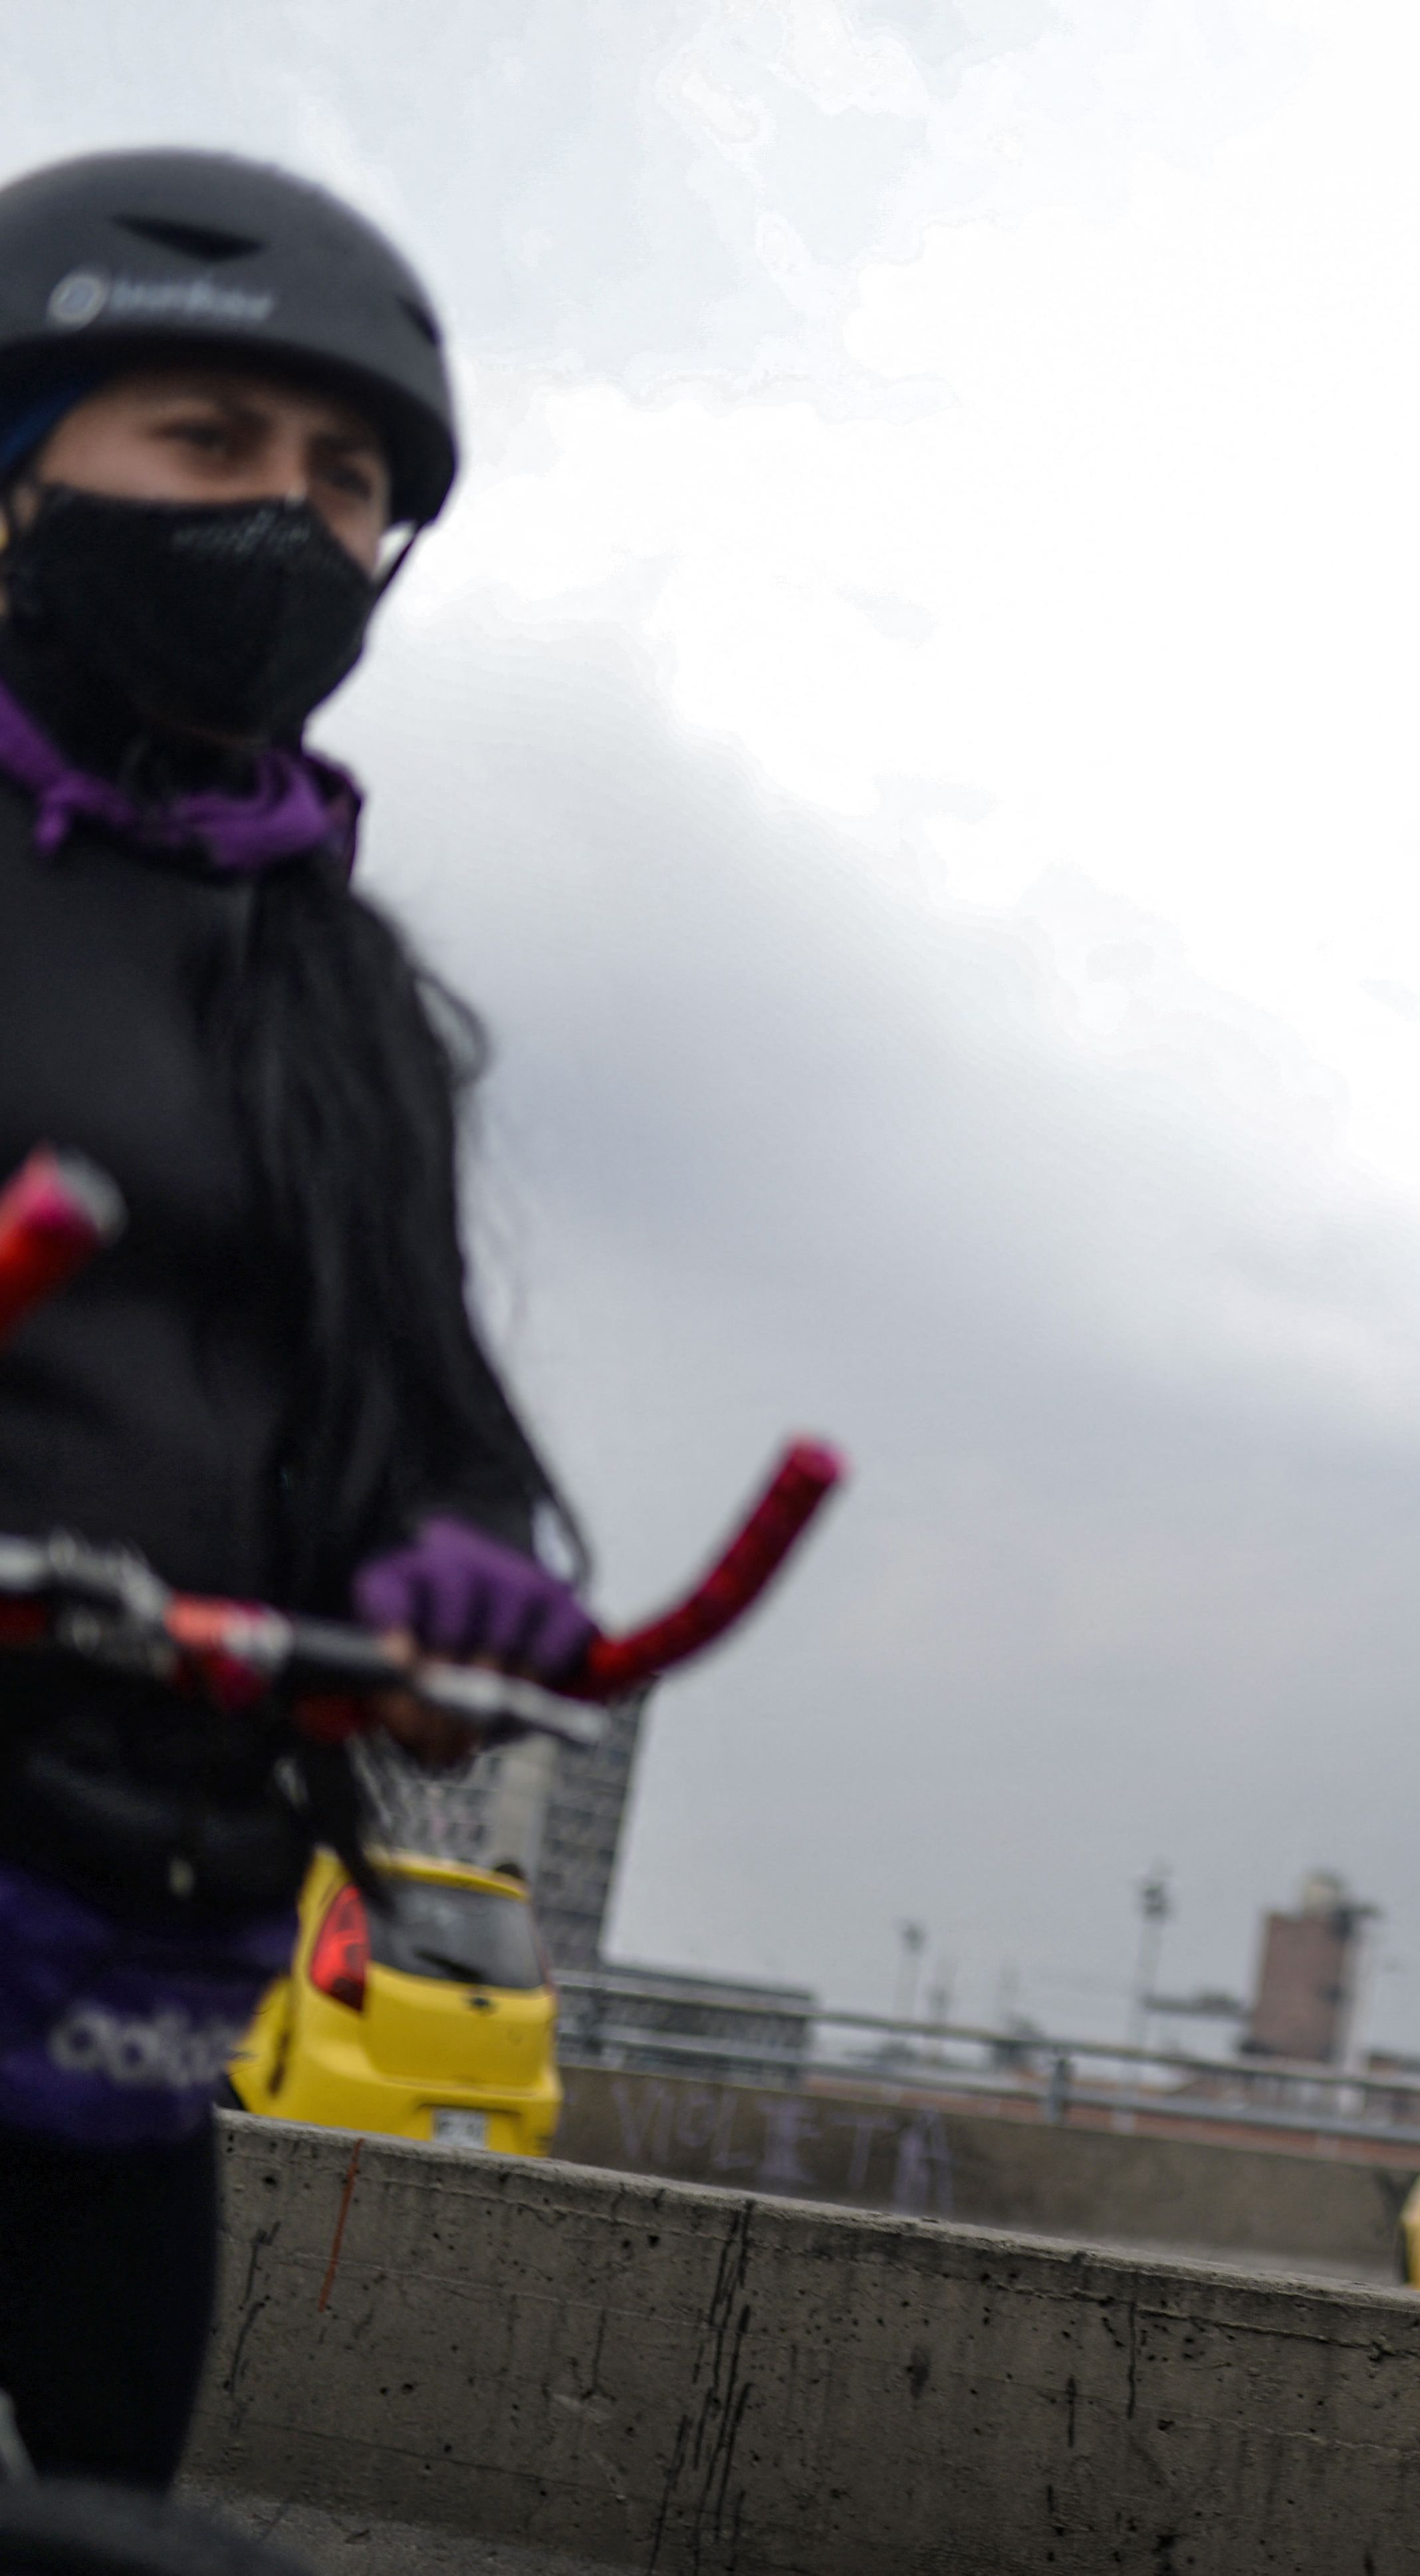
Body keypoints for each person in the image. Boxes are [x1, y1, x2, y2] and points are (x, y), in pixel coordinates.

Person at [0, 152, 590, 2487]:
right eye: (208, 443)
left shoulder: (348, 992)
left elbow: (416, 1410)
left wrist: (448, 1541)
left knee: (118, 2490)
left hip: (152, 1925)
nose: (286, 517)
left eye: (345, 483)